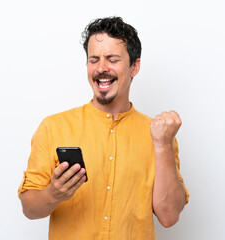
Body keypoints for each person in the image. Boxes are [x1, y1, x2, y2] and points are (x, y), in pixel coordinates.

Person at [18, 16, 189, 240]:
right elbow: (29, 210)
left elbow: (169, 216)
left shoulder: (160, 135)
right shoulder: (53, 127)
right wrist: (53, 194)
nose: (101, 68)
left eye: (112, 59)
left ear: (134, 66)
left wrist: (163, 144)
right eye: (94, 59)